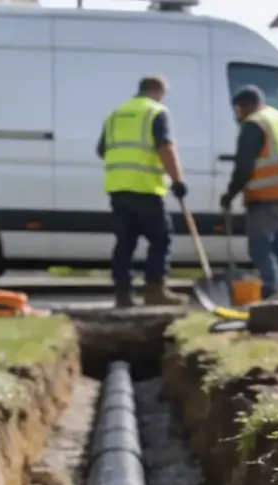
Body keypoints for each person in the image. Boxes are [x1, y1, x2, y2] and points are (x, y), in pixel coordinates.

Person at [97, 75, 189, 309]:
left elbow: (101, 150)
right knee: (161, 239)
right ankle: (155, 290)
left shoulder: (115, 115)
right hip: (146, 188)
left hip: (118, 189)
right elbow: (165, 147)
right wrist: (177, 180)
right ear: (158, 92)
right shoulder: (156, 112)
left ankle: (123, 295)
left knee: (124, 243)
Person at [220, 85, 278, 300]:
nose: (237, 115)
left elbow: (244, 167)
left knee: (260, 248)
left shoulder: (253, 125)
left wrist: (229, 195)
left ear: (245, 106)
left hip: (265, 195)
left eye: (237, 110)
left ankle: (270, 293)